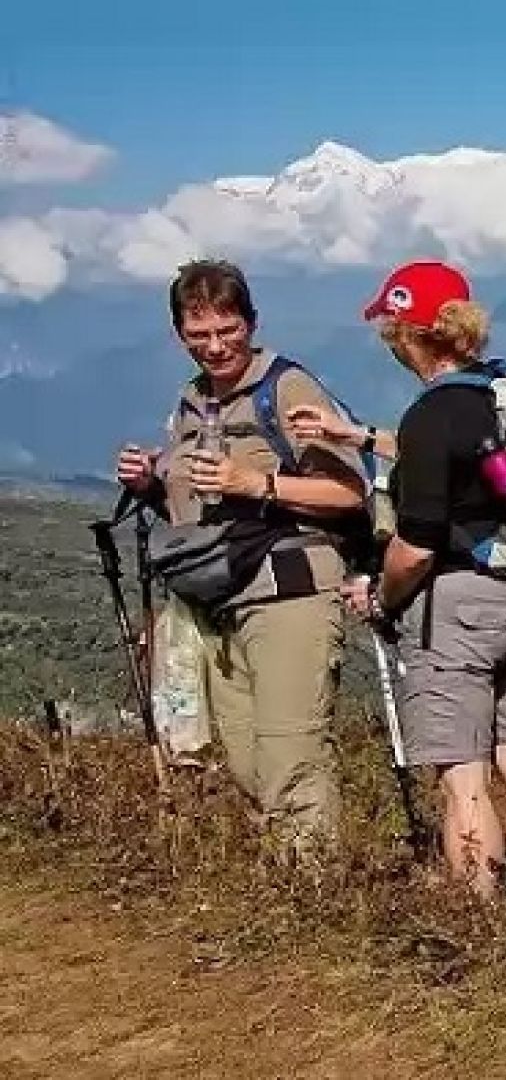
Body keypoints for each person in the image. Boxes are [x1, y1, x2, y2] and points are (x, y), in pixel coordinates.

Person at [113, 259, 369, 855]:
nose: (215, 346)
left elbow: (348, 492)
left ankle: (314, 896)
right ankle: (283, 891)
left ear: (251, 323)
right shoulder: (190, 402)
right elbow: (194, 502)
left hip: (290, 590)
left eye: (227, 329)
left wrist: (257, 484)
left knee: (290, 749)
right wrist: (150, 484)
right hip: (221, 598)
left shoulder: (287, 389)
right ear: (179, 334)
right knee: (247, 759)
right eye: (198, 334)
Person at [353, 259, 506, 901]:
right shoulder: (498, 396)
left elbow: (415, 550)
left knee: (463, 780)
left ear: (408, 332)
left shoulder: (428, 418)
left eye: (391, 324)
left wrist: (382, 597)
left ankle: (482, 925)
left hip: (460, 608)